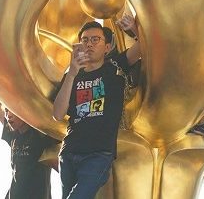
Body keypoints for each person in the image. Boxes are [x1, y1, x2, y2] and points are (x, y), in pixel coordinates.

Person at [52, 14, 142, 199]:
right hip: (69, 153)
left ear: (107, 47)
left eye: (95, 39)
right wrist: (71, 74)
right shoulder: (72, 75)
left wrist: (134, 29)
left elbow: (145, 48)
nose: (89, 44)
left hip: (98, 155)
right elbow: (58, 114)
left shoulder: (115, 67)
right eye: (84, 40)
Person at [1, 107, 57, 199]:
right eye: (6, 111)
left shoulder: (40, 136)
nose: (8, 116)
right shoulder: (14, 136)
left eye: (12, 110)